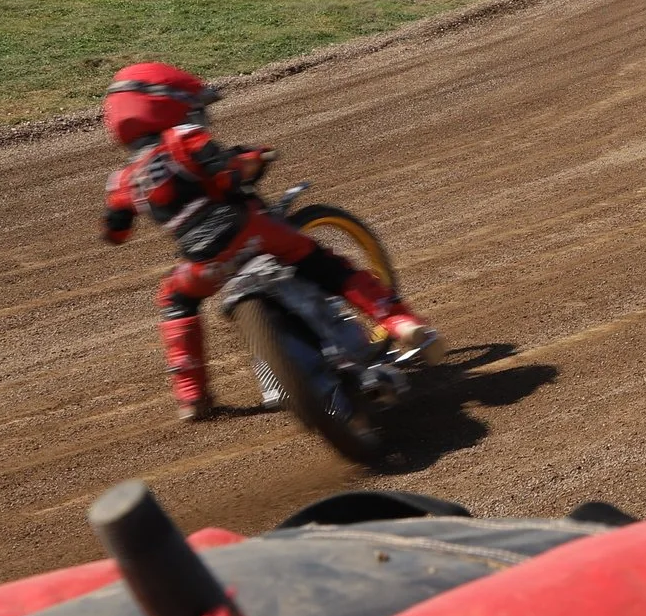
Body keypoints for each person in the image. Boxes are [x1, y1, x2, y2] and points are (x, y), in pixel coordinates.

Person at [99, 63, 439, 422]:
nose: (200, 115)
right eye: (195, 107)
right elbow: (229, 174)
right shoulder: (183, 137)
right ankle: (400, 320)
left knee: (175, 299)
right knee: (323, 264)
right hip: (249, 232)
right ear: (168, 106)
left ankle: (191, 395)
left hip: (202, 263)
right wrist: (255, 157)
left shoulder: (123, 180)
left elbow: (115, 233)